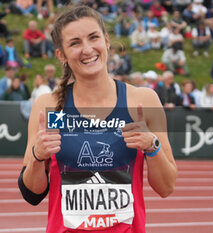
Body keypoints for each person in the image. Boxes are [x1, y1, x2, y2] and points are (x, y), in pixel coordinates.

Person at [18, 6, 177, 233]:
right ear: (61, 55)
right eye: (75, 43)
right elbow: (32, 194)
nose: (87, 49)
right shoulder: (50, 106)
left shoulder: (141, 101)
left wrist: (151, 146)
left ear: (107, 41)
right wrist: (37, 156)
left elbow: (166, 187)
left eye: (93, 37)